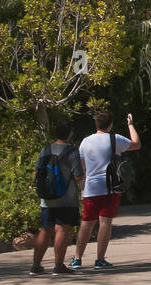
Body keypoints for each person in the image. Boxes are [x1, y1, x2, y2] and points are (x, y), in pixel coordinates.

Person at [72, 110, 140, 270]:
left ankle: (77, 259)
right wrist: (130, 125)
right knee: (105, 223)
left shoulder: (85, 142)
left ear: (96, 124)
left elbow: (82, 168)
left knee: (86, 224)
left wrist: (82, 188)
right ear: (110, 124)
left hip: (91, 187)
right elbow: (136, 143)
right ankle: (100, 259)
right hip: (110, 187)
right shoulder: (114, 139)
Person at [30, 120, 85, 276]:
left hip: (46, 198)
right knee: (62, 229)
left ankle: (35, 265)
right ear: (69, 134)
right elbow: (78, 176)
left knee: (45, 229)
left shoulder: (45, 150)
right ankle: (58, 265)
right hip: (66, 199)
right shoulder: (72, 152)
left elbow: (37, 172)